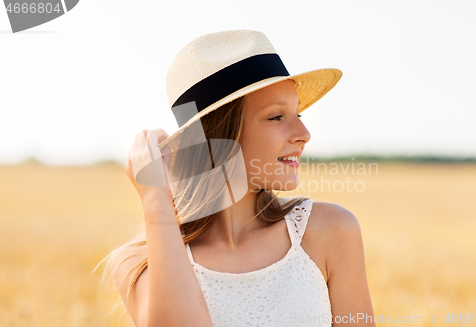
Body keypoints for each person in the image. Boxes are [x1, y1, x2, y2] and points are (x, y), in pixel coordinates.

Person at [98, 30, 375, 327]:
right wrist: (155, 200)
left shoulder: (330, 231)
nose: (303, 135)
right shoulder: (139, 263)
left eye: (299, 115)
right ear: (218, 136)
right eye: (276, 117)